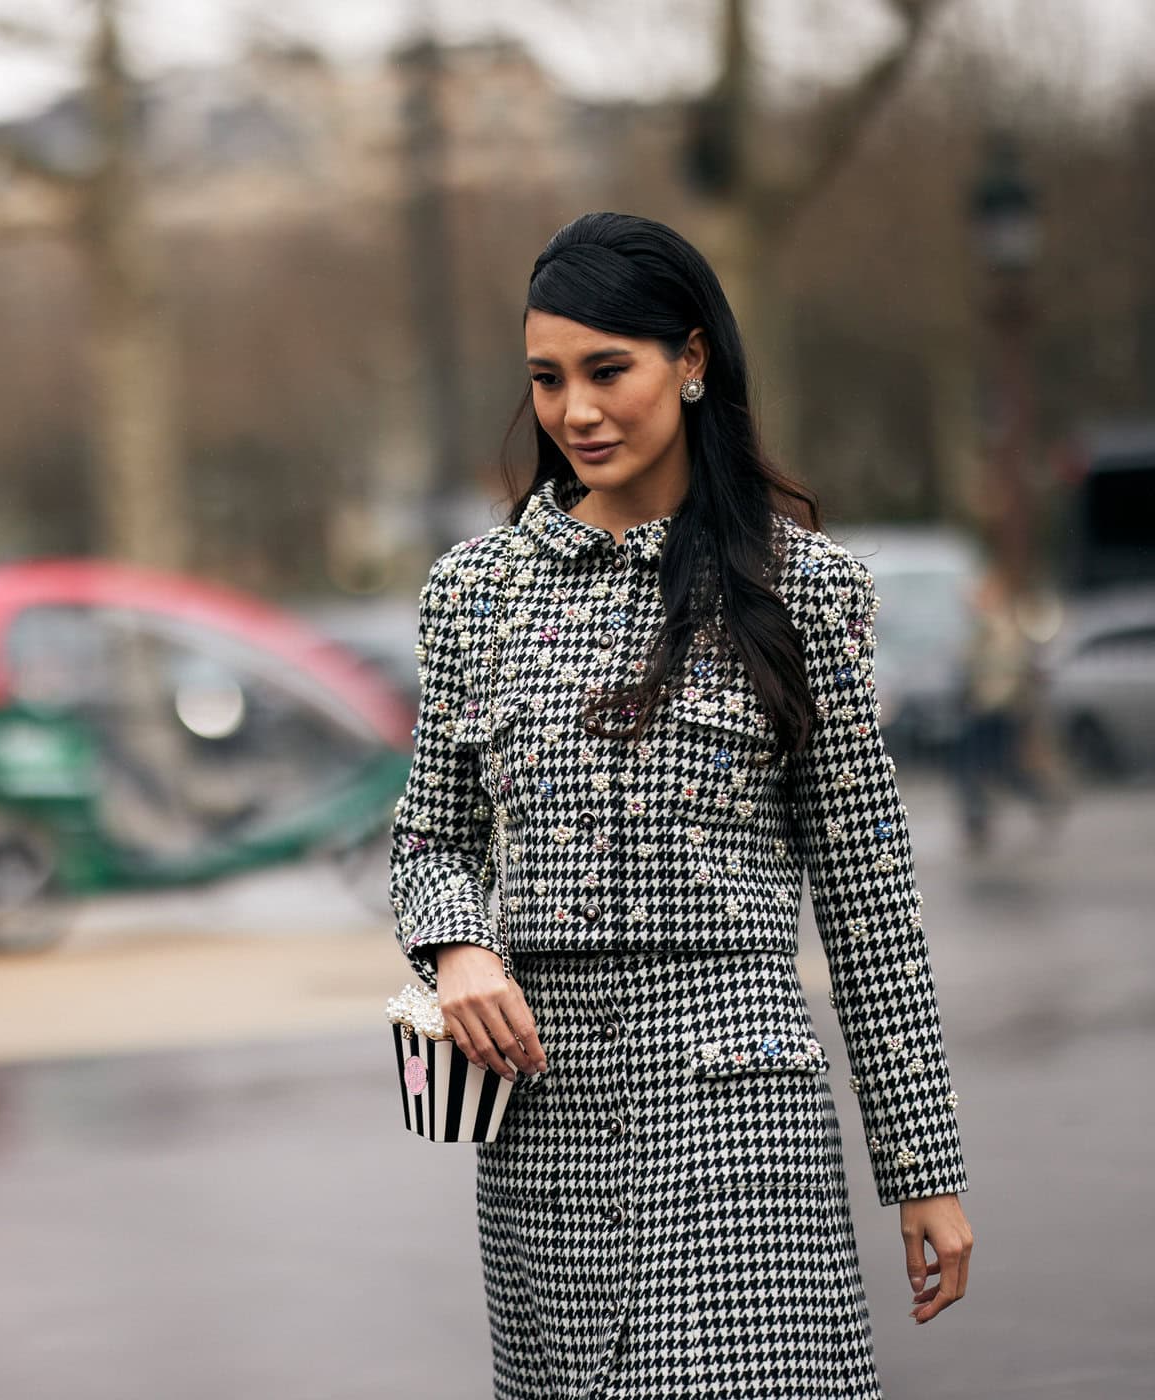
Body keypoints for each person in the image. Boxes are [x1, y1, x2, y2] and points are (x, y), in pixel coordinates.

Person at [387, 212, 974, 1398]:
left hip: (737, 1119)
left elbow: (870, 900)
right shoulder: (473, 593)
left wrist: (924, 1165)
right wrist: (456, 944)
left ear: (691, 360)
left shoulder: (804, 591)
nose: (577, 410)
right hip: (543, 1117)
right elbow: (430, 836)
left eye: (611, 369)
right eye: (548, 378)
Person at [952, 566, 1062, 850]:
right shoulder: (984, 627)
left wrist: (991, 702)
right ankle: (979, 819)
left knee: (991, 767)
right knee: (984, 767)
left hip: (997, 710)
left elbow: (1007, 671)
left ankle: (1039, 801)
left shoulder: (1000, 627)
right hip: (988, 708)